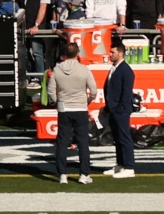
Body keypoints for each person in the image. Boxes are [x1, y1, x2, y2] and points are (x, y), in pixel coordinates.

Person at [48, 41, 97, 184]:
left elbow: (51, 90)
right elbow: (93, 90)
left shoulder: (57, 69)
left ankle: (62, 174)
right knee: (83, 142)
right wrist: (87, 101)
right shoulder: (84, 69)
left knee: (62, 142)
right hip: (80, 108)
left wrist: (57, 101)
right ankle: (84, 174)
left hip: (64, 108)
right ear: (78, 53)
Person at [102, 39, 137, 177]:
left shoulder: (126, 70)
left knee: (124, 138)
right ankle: (121, 164)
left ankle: (129, 167)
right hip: (113, 109)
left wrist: (119, 109)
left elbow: (126, 92)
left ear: (121, 54)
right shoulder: (114, 68)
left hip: (120, 110)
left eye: (113, 52)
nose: (110, 54)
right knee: (117, 138)